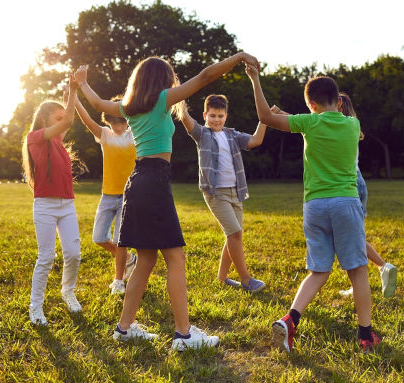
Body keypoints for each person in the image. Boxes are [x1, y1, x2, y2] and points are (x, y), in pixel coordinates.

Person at [73, 51, 259, 350]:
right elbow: (204, 77)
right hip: (155, 181)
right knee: (176, 257)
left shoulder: (129, 106)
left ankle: (124, 328)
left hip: (136, 181)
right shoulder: (161, 100)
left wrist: (82, 83)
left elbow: (97, 104)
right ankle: (184, 335)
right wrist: (236, 57)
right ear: (161, 81)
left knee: (146, 258)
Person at [245, 65, 381, 352]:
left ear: (310, 105)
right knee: (357, 271)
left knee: (319, 271)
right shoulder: (353, 126)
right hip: (346, 203)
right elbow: (330, 119)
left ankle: (290, 319)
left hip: (315, 206)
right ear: (340, 102)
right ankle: (366, 335)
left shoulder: (308, 123)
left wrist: (255, 79)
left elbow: (265, 117)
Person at [180, 94, 267, 293]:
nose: (216, 120)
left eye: (220, 116)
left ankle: (221, 278)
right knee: (234, 233)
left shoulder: (232, 135)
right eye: (212, 116)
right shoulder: (202, 134)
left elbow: (256, 140)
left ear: (226, 116)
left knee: (234, 236)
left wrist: (264, 119)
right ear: (205, 115)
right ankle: (246, 280)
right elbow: (185, 118)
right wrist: (178, 97)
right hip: (215, 193)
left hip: (236, 192)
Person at [22, 76, 82, 325]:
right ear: (45, 118)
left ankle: (67, 292)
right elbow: (68, 118)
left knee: (74, 254)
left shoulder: (57, 141)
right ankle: (35, 307)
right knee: (46, 257)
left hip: (67, 205)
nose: (62, 123)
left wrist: (71, 95)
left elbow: (69, 119)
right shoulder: (35, 137)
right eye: (56, 119)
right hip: (45, 206)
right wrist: (74, 91)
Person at [74, 95, 138, 295]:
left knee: (121, 241)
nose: (118, 125)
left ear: (128, 120)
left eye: (122, 120)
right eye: (113, 121)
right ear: (107, 120)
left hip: (129, 195)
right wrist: (74, 99)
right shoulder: (104, 135)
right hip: (108, 195)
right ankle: (128, 258)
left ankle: (118, 281)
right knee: (99, 237)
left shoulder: (133, 135)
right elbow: (86, 120)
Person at [336, 92, 397, 298]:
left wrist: (282, 114)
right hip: (358, 183)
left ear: (338, 104)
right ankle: (380, 269)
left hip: (348, 186)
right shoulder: (351, 125)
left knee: (349, 239)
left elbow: (310, 122)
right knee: (355, 238)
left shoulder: (340, 124)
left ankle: (382, 266)